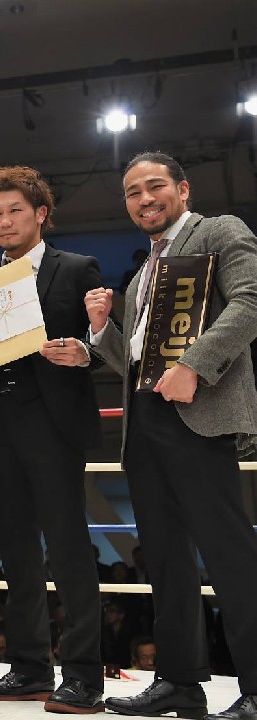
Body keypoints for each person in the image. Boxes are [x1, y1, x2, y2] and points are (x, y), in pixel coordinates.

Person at [85, 151, 257, 720]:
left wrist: (195, 366)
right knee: (163, 559)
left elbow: (252, 301)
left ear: (183, 189)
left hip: (198, 412)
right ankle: (180, 682)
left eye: (154, 186)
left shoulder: (219, 231)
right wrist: (101, 331)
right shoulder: (143, 272)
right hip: (145, 419)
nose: (144, 199)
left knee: (229, 553)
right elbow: (136, 365)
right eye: (132, 192)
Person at [0, 165, 104, 714]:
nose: (5, 221)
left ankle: (83, 675)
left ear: (41, 214)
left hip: (54, 424)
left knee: (68, 547)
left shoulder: (76, 268)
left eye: (15, 210)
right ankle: (30, 667)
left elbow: (101, 342)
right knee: (15, 550)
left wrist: (85, 351)